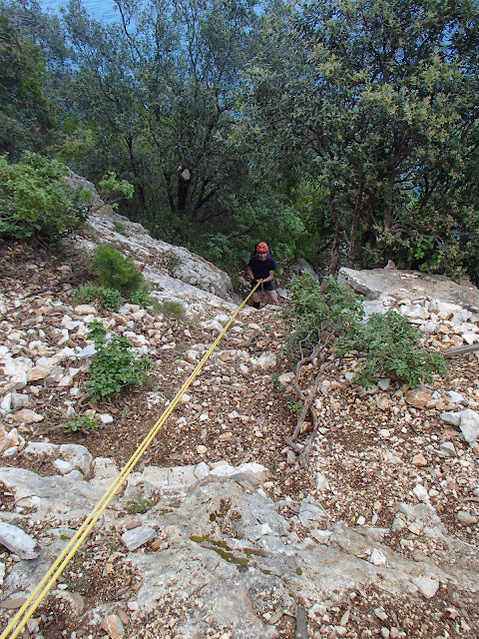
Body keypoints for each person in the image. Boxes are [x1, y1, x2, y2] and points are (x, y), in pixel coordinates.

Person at [247, 241, 280, 308]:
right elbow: (249, 269)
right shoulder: (253, 260)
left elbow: (271, 276)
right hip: (256, 280)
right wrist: (253, 278)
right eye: (260, 253)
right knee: (256, 299)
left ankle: (278, 312)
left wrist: (263, 281)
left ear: (267, 252)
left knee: (274, 299)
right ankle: (256, 311)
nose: (262, 255)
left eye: (264, 253)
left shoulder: (271, 261)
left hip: (267, 279)